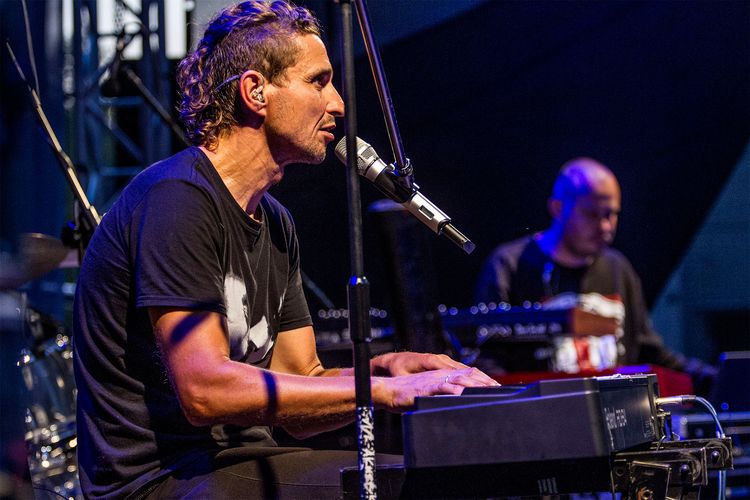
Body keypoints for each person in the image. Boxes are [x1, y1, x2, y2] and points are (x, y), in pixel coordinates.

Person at [72, 2, 497, 498]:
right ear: (256, 91)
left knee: (442, 476)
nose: (338, 104)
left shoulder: (275, 222)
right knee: (414, 487)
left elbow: (302, 387)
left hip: (239, 465)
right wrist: (380, 390)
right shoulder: (177, 200)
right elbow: (204, 391)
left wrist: (386, 368)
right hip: (160, 481)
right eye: (319, 82)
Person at [475, 157, 696, 374]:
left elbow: (648, 351)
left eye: (611, 214)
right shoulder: (509, 265)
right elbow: (488, 357)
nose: (604, 226)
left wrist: (711, 379)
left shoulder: (618, 268)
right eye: (591, 214)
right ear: (558, 208)